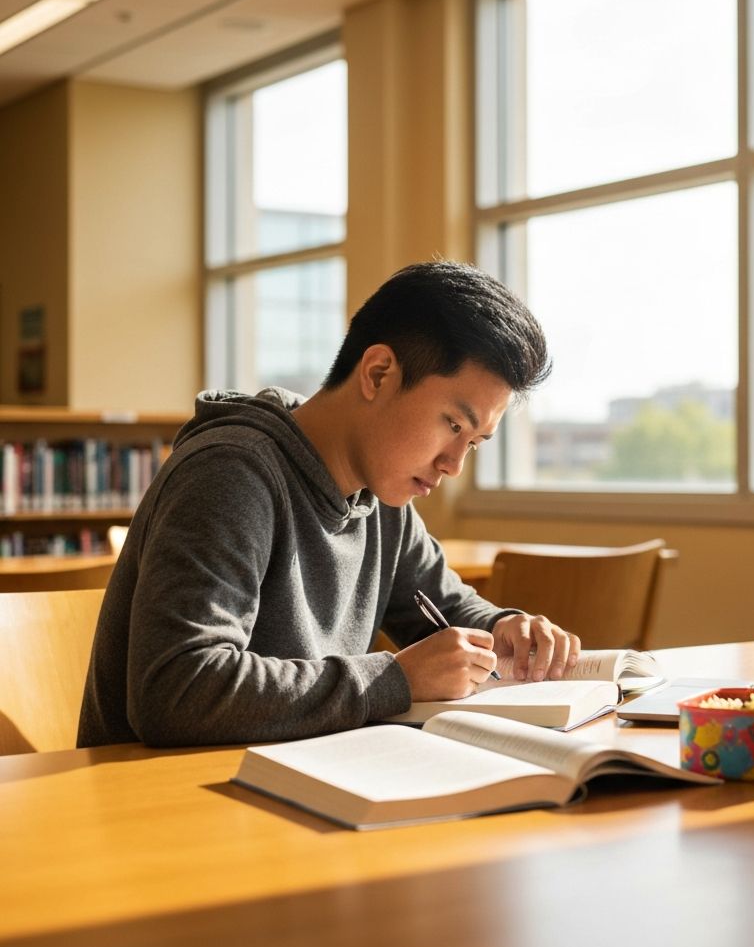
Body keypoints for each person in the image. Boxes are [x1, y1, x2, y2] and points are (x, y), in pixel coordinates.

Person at [78, 261, 581, 748]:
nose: (454, 464)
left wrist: (505, 628)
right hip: (164, 807)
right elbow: (177, 691)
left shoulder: (384, 497)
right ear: (379, 373)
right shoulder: (229, 473)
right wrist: (392, 679)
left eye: (474, 443)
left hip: (293, 786)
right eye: (453, 425)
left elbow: (445, 609)